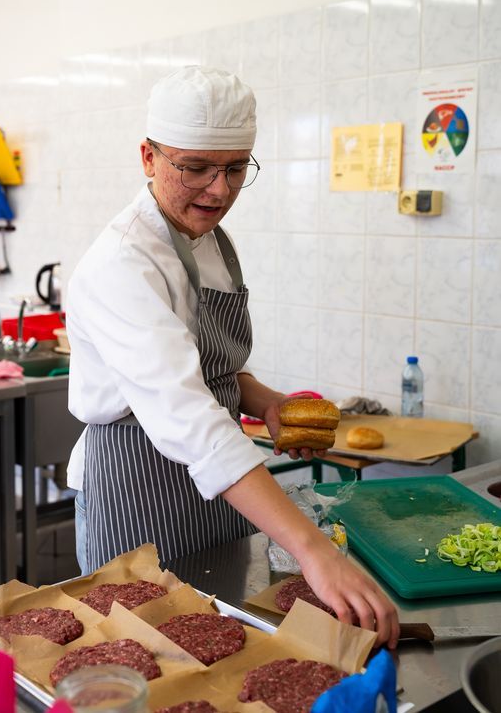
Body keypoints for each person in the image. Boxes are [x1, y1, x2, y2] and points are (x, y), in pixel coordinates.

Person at [66, 66, 399, 648]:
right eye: (195, 168)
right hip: (138, 490)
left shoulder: (211, 240)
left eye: (236, 168)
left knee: (220, 643)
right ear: (148, 158)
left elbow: (210, 366)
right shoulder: (123, 264)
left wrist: (265, 400)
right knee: (144, 651)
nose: (219, 191)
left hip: (220, 494)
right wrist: (313, 549)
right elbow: (188, 415)